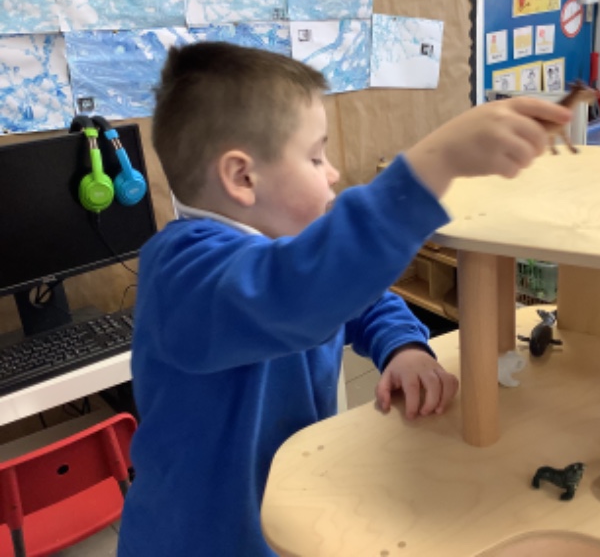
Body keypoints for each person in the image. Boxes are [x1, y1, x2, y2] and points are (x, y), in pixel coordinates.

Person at [116, 41, 571, 557]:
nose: (332, 173)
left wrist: (402, 346)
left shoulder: (281, 249)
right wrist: (433, 165)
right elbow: (300, 291)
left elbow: (358, 297)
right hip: (200, 542)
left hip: (282, 511)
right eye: (315, 157)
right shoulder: (181, 273)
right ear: (243, 177)